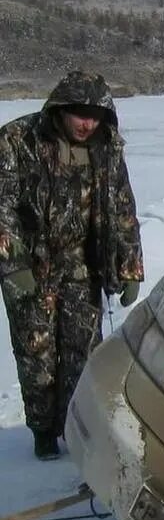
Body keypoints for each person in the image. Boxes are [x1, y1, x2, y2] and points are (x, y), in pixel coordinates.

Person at [0, 70, 144, 459]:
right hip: (33, 267)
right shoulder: (18, 140)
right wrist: (14, 265)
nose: (86, 123)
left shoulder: (108, 148)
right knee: (37, 354)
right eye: (79, 113)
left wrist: (130, 267)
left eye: (95, 115)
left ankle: (77, 427)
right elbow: (3, 208)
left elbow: (123, 206)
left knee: (84, 353)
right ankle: (43, 431)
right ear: (60, 108)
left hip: (85, 268)